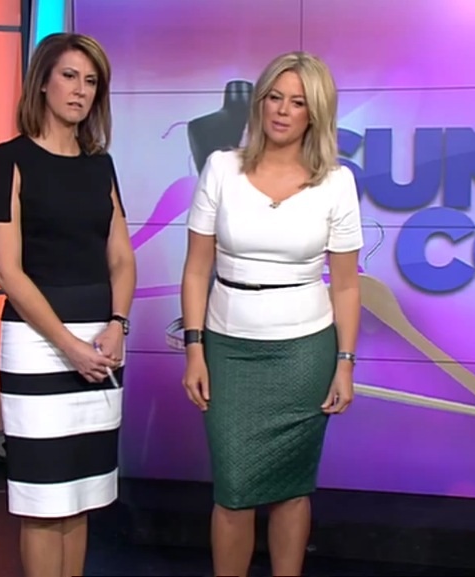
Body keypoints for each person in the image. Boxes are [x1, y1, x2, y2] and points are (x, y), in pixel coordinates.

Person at [179, 51, 364, 577]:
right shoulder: (221, 168)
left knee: (291, 488)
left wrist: (345, 363)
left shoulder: (336, 182)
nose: (282, 111)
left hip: (304, 353)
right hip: (229, 348)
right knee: (233, 489)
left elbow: (346, 285)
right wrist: (195, 349)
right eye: (275, 98)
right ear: (259, 103)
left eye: (297, 102)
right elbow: (196, 269)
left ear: (315, 113)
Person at [0, 33, 135, 577]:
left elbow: (122, 258)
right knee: (44, 500)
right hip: (38, 344)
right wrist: (67, 344)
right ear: (42, 82)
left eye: (91, 82)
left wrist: (118, 324)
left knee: (81, 494)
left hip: (101, 343)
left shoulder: (100, 166)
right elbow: (7, 271)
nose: (80, 90)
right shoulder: (6, 161)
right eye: (69, 76)